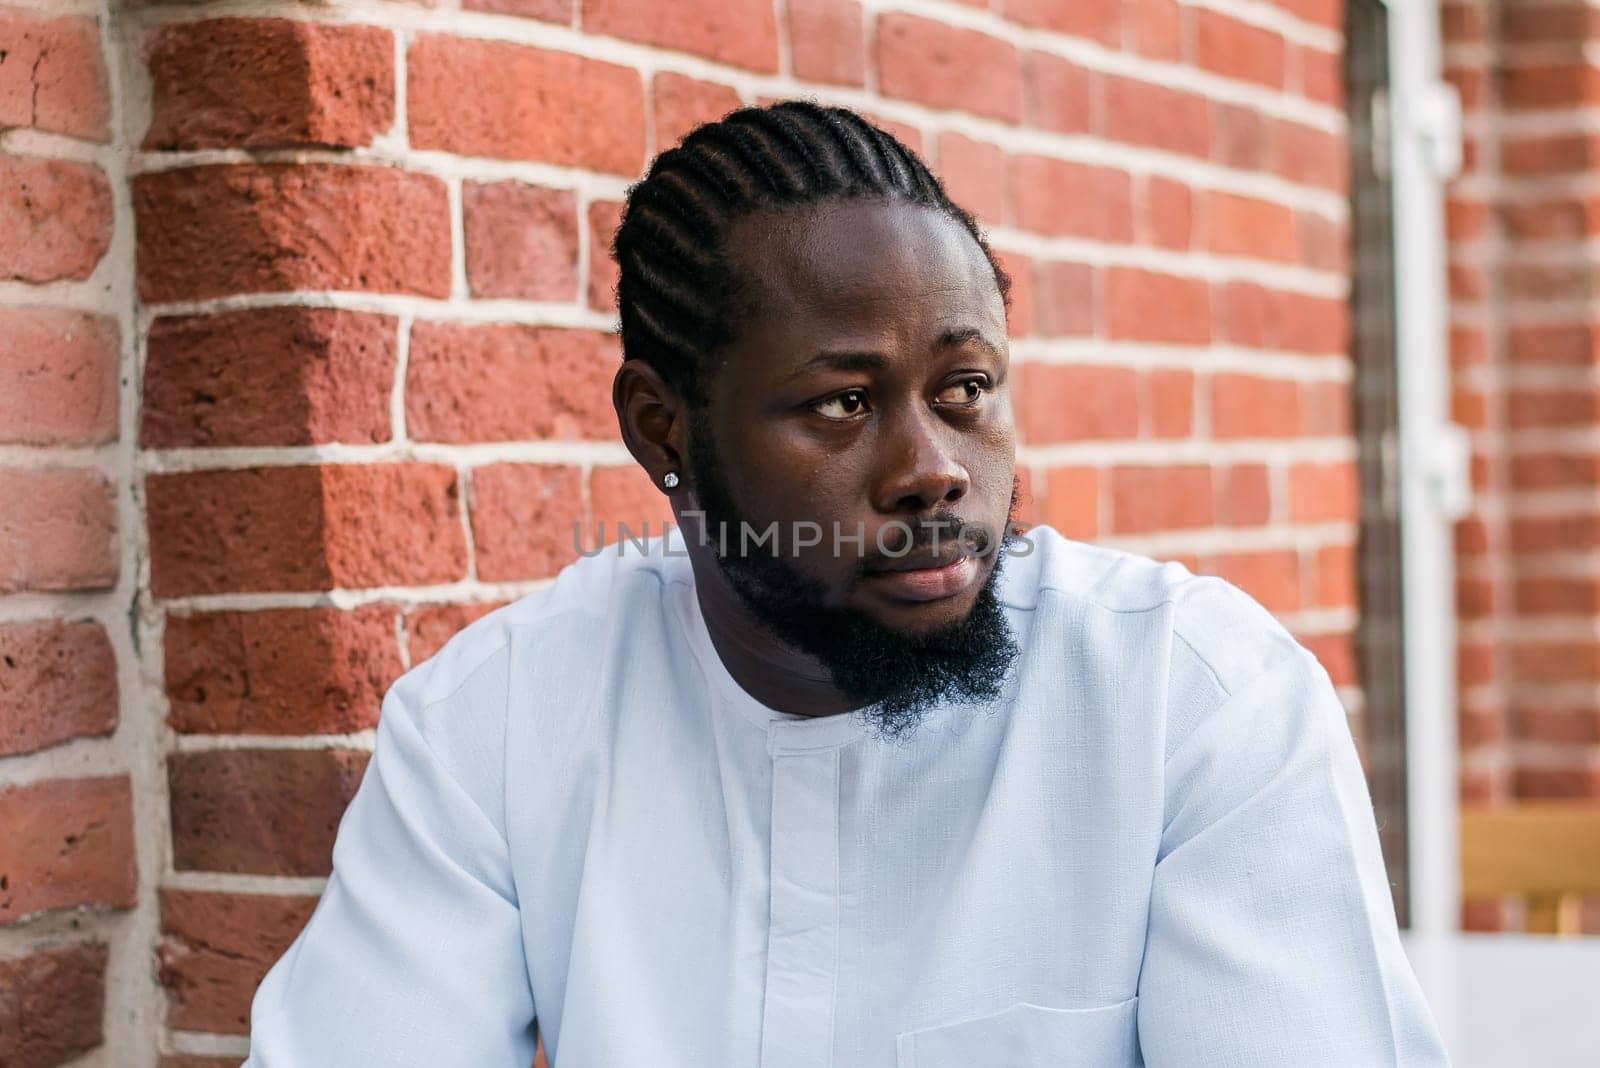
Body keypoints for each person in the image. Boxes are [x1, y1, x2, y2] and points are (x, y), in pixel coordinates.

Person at [244, 101, 1449, 1066]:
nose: (932, 472)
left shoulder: (1190, 700)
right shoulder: (499, 724)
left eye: (965, 391)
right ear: (664, 431)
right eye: (843, 403)